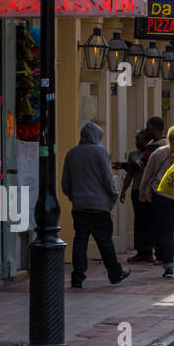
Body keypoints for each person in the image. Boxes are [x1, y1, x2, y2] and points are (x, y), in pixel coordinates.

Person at [63, 121, 129, 288]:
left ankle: (77, 277)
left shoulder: (71, 153)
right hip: (99, 207)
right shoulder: (100, 152)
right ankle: (114, 273)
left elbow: (65, 183)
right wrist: (113, 195)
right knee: (105, 242)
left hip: (79, 206)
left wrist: (73, 197)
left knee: (80, 241)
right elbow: (108, 179)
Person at [138, 125, 174, 277]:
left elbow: (148, 174)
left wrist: (142, 191)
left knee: (165, 231)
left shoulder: (158, 153)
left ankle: (168, 266)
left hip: (161, 195)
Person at [122, 126, 157, 263]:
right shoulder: (133, 154)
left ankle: (150, 250)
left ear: (147, 141)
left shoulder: (152, 153)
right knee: (139, 222)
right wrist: (124, 190)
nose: (137, 143)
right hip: (137, 190)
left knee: (150, 221)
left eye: (140, 140)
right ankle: (141, 251)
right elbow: (130, 173)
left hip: (150, 191)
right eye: (136, 140)